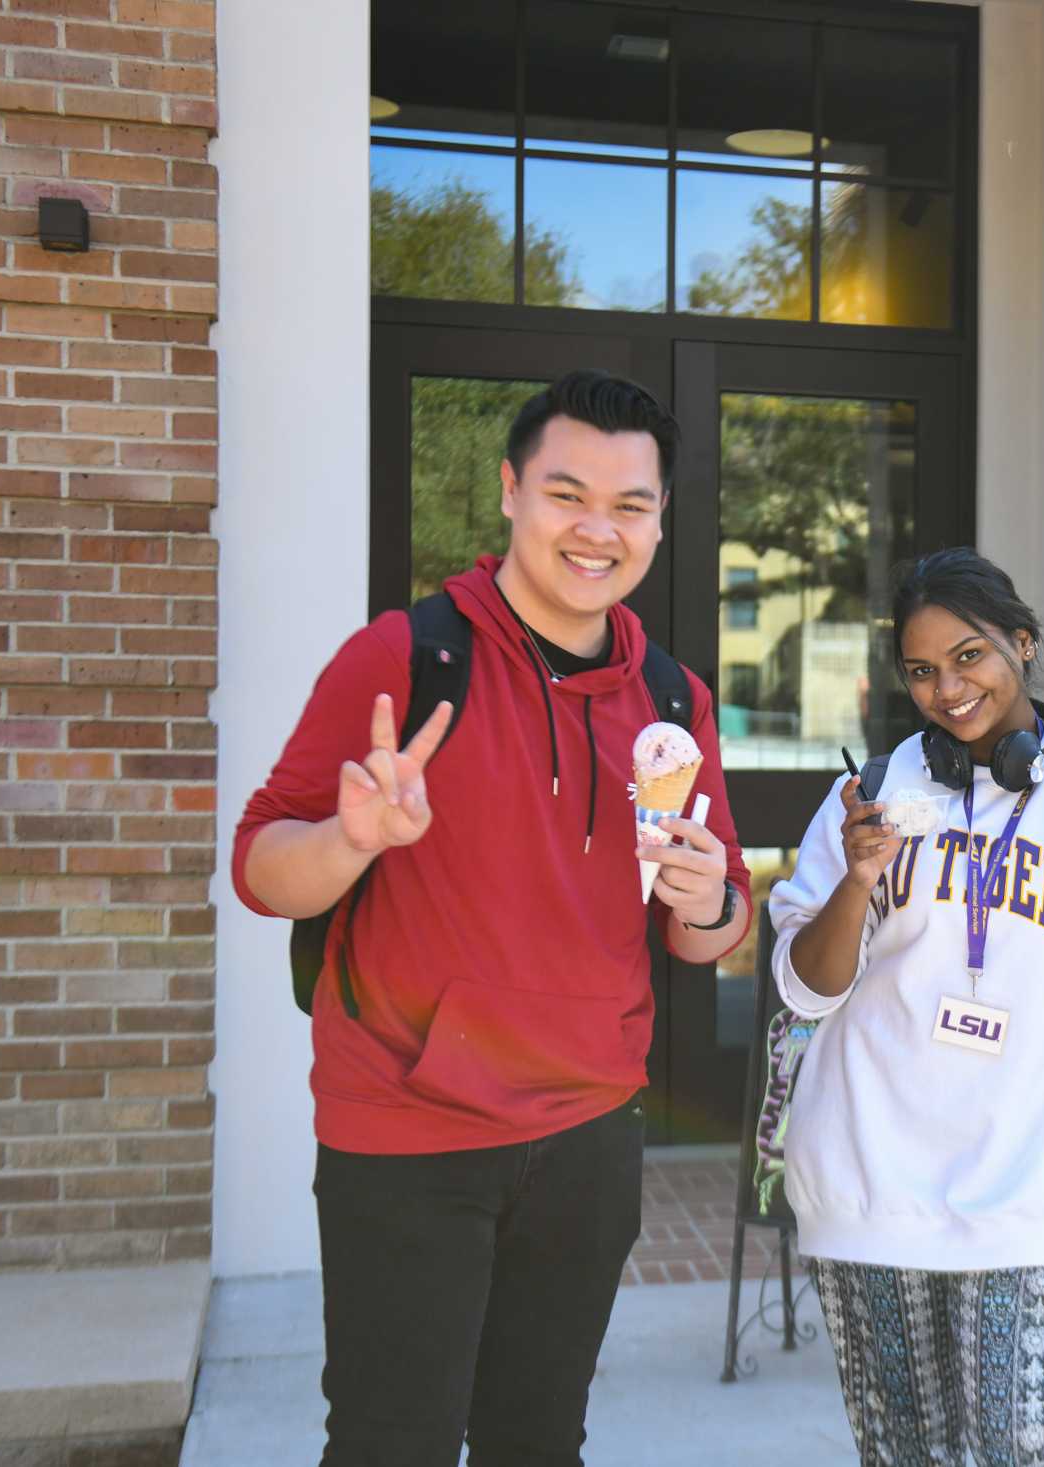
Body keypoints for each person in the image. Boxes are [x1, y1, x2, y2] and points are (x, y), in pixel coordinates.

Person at [233, 371, 751, 1467]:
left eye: (630, 505)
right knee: (390, 1444)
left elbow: (706, 932)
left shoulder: (673, 702)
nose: (596, 530)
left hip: (588, 1137)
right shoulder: (406, 659)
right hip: (408, 1132)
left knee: (537, 1442)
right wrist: (352, 839)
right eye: (567, 495)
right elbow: (264, 869)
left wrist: (709, 903)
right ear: (511, 492)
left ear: (661, 520)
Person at [770, 548, 1044, 1467]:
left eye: (969, 656)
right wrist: (856, 879)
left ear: (1022, 644)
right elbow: (805, 985)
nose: (948, 688)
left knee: (1028, 1448)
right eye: (922, 670)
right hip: (869, 1182)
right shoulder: (872, 793)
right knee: (906, 1455)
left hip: (1033, 1188)